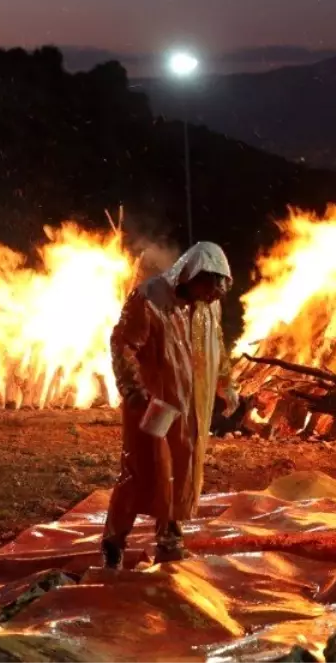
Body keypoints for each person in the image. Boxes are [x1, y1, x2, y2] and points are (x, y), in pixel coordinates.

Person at [101, 241, 238, 568]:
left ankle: (169, 540)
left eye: (217, 293)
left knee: (181, 470)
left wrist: (225, 383)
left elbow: (216, 344)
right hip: (154, 405)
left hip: (191, 407)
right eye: (208, 289)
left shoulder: (208, 306)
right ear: (191, 275)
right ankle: (113, 542)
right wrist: (134, 390)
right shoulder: (150, 299)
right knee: (143, 472)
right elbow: (122, 344)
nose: (211, 297)